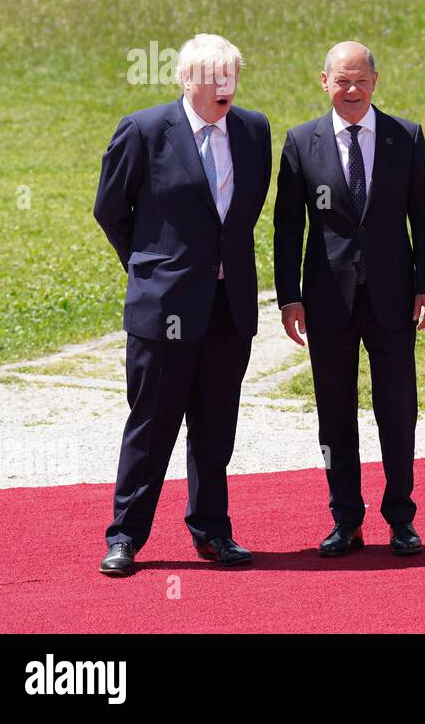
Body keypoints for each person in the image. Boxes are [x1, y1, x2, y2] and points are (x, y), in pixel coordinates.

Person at [93, 33, 272, 576]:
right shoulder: (145, 130)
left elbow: (248, 210)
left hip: (228, 305)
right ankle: (125, 536)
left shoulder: (254, 129)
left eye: (231, 76)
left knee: (216, 426)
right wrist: (149, 265)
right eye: (213, 78)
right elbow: (110, 209)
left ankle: (213, 532)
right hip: (163, 305)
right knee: (153, 423)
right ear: (185, 80)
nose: (225, 88)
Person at [273, 41, 425, 557]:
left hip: (393, 298)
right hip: (328, 302)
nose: (351, 90)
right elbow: (287, 229)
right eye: (341, 81)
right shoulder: (301, 141)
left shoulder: (405, 137)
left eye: (360, 81)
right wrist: (289, 297)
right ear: (323, 82)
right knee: (335, 413)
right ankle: (346, 518)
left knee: (398, 410)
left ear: (376, 81)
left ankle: (401, 518)